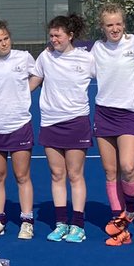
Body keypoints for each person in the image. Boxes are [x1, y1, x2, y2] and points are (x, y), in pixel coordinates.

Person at [0, 16, 42, 238]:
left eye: (6, 38)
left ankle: (26, 221)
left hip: (19, 125)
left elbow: (37, 76)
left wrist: (24, 93)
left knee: (22, 175)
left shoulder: (23, 58)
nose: (4, 43)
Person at [36, 14, 96, 243]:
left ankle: (78, 225)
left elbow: (110, 77)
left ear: (70, 35)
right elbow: (33, 81)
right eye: (51, 36)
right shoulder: (45, 57)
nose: (53, 40)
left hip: (77, 122)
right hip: (51, 122)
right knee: (57, 174)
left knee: (75, 174)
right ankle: (61, 223)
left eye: (57, 35)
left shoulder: (86, 59)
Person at [90, 6, 134, 239]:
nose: (114, 28)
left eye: (118, 24)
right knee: (110, 171)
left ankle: (130, 211)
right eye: (109, 25)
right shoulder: (97, 49)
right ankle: (118, 218)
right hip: (104, 114)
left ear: (124, 24)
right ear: (102, 27)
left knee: (128, 167)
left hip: (130, 114)